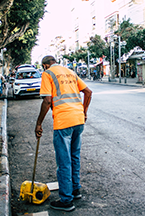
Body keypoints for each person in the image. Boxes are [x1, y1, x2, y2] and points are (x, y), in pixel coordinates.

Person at [35, 55, 92, 212]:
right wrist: (84, 112)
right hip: (78, 119)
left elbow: (47, 101)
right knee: (74, 156)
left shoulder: (48, 74)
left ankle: (66, 200)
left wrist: (38, 123)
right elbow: (88, 92)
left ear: (45, 65)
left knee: (64, 161)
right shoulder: (70, 71)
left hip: (64, 121)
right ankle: (75, 190)